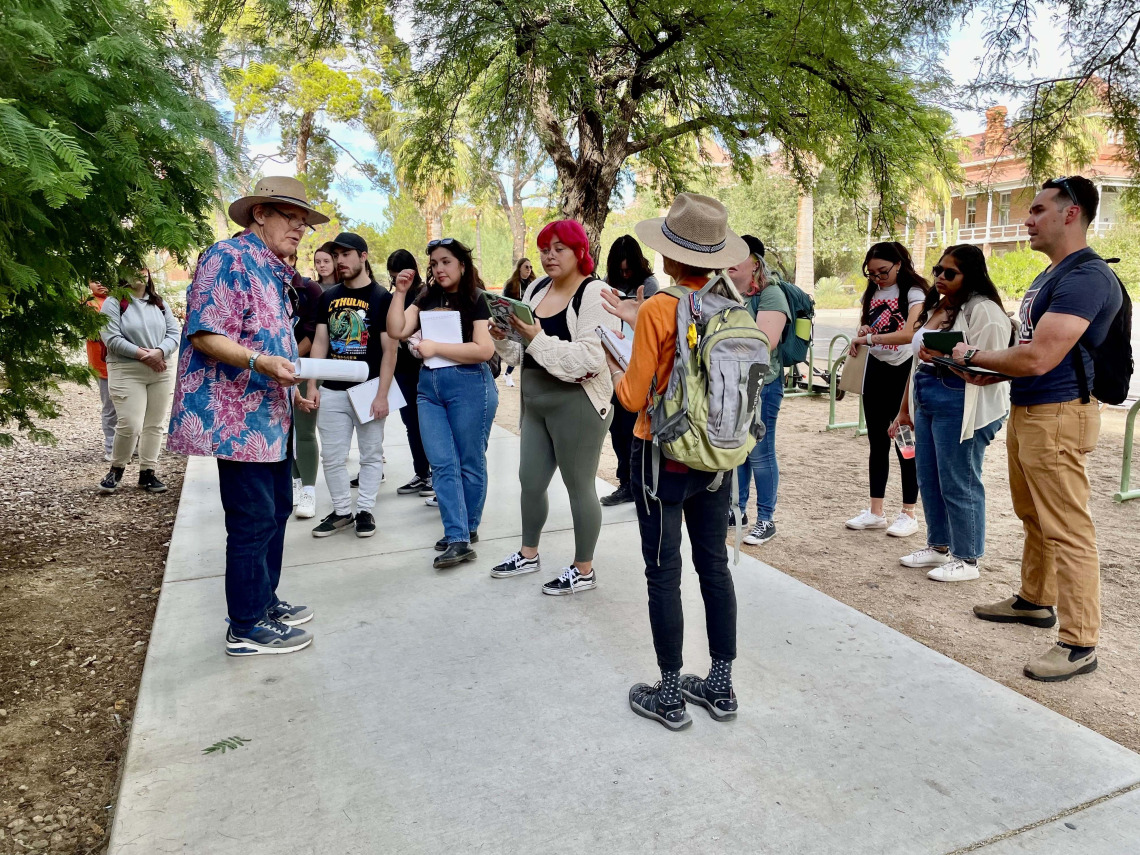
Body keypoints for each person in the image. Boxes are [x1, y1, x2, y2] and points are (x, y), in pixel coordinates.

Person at [950, 177, 1122, 681]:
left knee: (1067, 529)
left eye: (1038, 209)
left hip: (1060, 414)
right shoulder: (1051, 275)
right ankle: (1034, 599)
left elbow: (1042, 355)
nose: (1027, 219)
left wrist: (972, 355)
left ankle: (1079, 641)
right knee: (1033, 514)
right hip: (1031, 409)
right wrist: (988, 369)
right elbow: (1028, 355)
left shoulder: (1086, 277)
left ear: (1072, 214)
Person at [603, 192, 749, 731]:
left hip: (662, 457)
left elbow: (634, 396)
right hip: (718, 456)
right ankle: (721, 685)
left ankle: (667, 692)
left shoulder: (660, 308)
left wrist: (618, 370)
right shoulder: (733, 306)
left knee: (663, 571)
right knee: (712, 566)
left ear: (668, 256)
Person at [167, 175, 324, 657]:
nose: (300, 229)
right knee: (252, 520)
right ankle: (246, 625)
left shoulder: (272, 271)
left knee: (275, 511)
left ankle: (265, 601)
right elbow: (204, 334)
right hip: (237, 420)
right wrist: (261, 363)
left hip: (270, 414)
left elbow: (268, 339)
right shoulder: (226, 258)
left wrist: (291, 377)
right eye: (291, 218)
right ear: (260, 214)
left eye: (304, 222)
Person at [489, 221, 620, 595]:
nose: (549, 255)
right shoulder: (535, 289)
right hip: (535, 403)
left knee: (579, 487)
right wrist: (503, 339)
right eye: (545, 248)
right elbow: (522, 352)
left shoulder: (595, 293)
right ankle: (528, 553)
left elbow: (591, 358)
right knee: (529, 481)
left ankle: (584, 569)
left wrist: (536, 337)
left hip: (576, 404)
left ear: (580, 252)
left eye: (559, 248)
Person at [891, 245, 1012, 582]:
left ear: (969, 275)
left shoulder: (984, 311)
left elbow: (994, 366)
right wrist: (904, 410)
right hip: (927, 394)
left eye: (950, 273)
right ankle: (938, 544)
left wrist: (945, 361)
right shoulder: (938, 306)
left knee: (959, 479)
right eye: (938, 270)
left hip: (962, 399)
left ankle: (967, 557)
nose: (941, 277)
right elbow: (916, 361)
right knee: (928, 476)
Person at [387, 238, 498, 569]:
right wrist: (399, 291)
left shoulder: (476, 298)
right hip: (429, 388)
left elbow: (484, 350)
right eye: (434, 263)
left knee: (469, 461)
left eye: (446, 261)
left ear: (461, 264)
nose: (439, 268)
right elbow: (397, 329)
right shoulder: (426, 296)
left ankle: (464, 531)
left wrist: (435, 348)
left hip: (470, 385)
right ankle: (458, 535)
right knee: (442, 463)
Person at [307, 233, 398, 538]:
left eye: (346, 254)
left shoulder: (381, 297)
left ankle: (366, 511)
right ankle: (342, 511)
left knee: (371, 455)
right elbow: (320, 342)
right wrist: (312, 385)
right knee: (331, 457)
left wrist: (383, 394)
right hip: (332, 389)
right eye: (337, 255)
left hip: (369, 389)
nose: (340, 261)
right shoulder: (328, 296)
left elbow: (390, 351)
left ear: (363, 256)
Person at [845, 242, 928, 537]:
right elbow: (871, 328)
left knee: (904, 442)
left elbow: (908, 334)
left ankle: (909, 512)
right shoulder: (874, 292)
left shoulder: (913, 293)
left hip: (903, 371)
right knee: (877, 442)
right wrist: (866, 333)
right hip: (876, 370)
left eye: (883, 272)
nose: (878, 279)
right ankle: (875, 511)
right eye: (872, 274)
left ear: (899, 264)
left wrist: (870, 340)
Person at [726, 235, 790, 543]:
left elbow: (767, 342)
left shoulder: (771, 295)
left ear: (755, 263)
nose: (729, 263)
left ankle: (766, 519)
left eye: (737, 257)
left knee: (760, 453)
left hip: (762, 385)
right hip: (733, 383)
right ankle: (736, 509)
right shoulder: (726, 293)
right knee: (738, 451)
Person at [97, 268, 180, 494]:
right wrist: (147, 357)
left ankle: (148, 472)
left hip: (160, 369)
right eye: (131, 267)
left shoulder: (159, 303)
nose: (137, 272)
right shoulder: (114, 303)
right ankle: (117, 468)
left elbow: (174, 333)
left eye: (142, 267)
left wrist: (160, 352)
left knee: (154, 424)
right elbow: (112, 338)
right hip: (127, 369)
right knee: (130, 423)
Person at [600, 235, 660, 506]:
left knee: (637, 429)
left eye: (628, 269)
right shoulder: (605, 284)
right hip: (613, 360)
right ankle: (626, 482)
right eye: (620, 270)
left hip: (639, 360)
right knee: (618, 429)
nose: (624, 274)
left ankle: (643, 487)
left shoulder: (649, 285)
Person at [387, 250, 434, 498]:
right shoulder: (396, 295)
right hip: (402, 370)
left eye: (398, 275)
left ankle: (435, 476)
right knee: (410, 424)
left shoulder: (424, 295)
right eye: (392, 276)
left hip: (423, 368)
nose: (395, 280)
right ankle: (421, 473)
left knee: (427, 425)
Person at [289, 250, 327, 520]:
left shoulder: (309, 289)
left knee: (303, 430)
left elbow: (314, 336)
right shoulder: (257, 288)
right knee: (283, 432)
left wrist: (289, 361)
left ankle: (308, 491)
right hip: (265, 369)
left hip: (302, 368)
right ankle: (294, 483)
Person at [85, 281, 117, 462]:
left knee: (129, 405)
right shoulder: (88, 303)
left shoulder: (120, 300)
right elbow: (91, 332)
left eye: (104, 279)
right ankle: (111, 447)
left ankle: (133, 445)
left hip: (125, 362)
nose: (100, 284)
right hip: (101, 363)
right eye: (95, 281)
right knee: (110, 406)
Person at [501, 257, 536, 387]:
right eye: (526, 267)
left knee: (526, 348)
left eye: (531, 267)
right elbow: (505, 302)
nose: (529, 270)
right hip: (514, 320)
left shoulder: (534, 284)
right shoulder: (512, 284)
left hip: (529, 321)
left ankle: (509, 374)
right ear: (519, 268)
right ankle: (508, 374)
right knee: (518, 348)